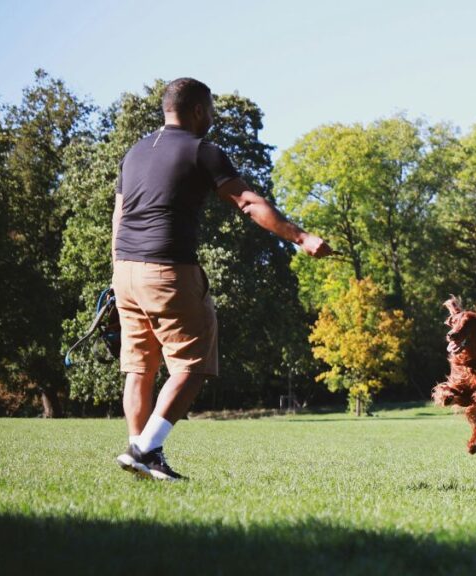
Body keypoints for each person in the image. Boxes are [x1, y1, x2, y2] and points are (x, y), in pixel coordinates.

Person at [112, 77, 332, 480]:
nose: (212, 117)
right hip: (168, 269)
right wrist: (300, 237)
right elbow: (247, 202)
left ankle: (141, 453)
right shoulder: (203, 151)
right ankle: (144, 449)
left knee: (139, 368)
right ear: (197, 109)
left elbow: (120, 215)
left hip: (125, 270)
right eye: (211, 109)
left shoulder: (135, 151)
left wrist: (117, 272)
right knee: (192, 364)